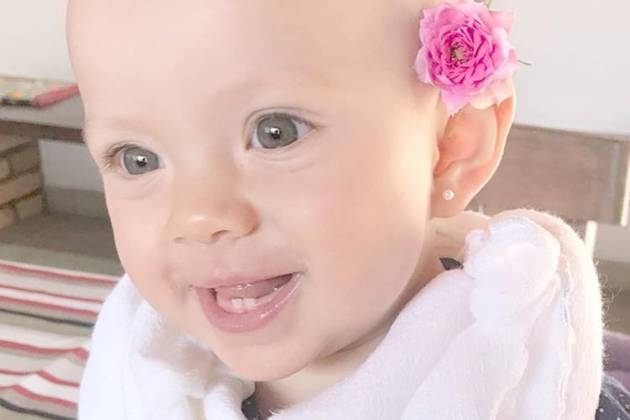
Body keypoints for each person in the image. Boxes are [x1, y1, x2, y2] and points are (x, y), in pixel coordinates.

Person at [65, 0, 629, 418]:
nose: (198, 216)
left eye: (276, 132)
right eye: (137, 159)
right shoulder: (140, 376)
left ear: (453, 150)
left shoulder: (537, 388)